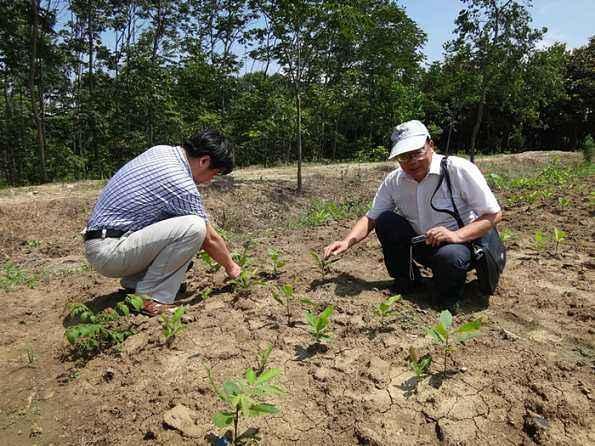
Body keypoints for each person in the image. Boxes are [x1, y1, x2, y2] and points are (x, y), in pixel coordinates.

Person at [324, 120, 502, 310]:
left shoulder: (457, 169)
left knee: (449, 257)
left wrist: (455, 236)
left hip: (461, 246)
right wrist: (347, 241)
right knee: (386, 221)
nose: (412, 161)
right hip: (424, 244)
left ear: (431, 146)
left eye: (417, 152)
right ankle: (409, 281)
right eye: (404, 157)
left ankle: (448, 298)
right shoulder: (395, 180)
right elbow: (371, 218)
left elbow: (493, 214)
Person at [83, 129, 241, 316]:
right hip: (110, 251)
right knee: (194, 227)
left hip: (103, 242)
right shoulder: (180, 182)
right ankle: (151, 297)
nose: (210, 180)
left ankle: (136, 282)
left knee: (180, 227)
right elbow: (209, 238)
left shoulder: (161, 151)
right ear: (204, 161)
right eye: (214, 173)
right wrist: (232, 267)